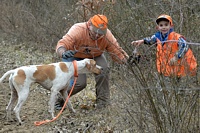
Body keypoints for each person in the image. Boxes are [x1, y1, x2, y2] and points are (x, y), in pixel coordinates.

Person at [55, 14, 128, 109]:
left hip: (95, 55)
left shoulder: (107, 36)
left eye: (101, 32)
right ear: (89, 25)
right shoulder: (78, 29)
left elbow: (117, 52)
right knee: (80, 83)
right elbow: (62, 43)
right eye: (96, 31)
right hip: (74, 56)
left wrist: (128, 61)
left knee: (103, 70)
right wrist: (63, 53)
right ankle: (58, 99)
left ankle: (103, 104)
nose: (98, 35)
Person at [132, 14, 197, 78]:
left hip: (181, 70)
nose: (164, 27)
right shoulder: (157, 37)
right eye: (161, 25)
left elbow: (184, 46)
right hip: (166, 70)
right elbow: (150, 40)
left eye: (166, 25)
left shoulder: (176, 37)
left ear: (171, 26)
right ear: (157, 27)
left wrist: (176, 57)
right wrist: (141, 41)